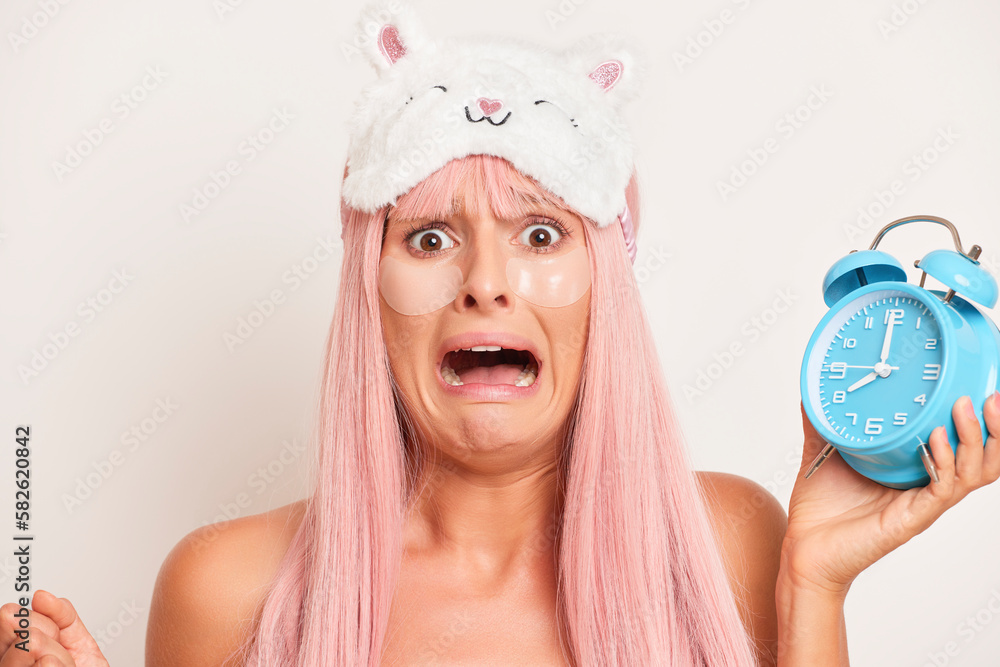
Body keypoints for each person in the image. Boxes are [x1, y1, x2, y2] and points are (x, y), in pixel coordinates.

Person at [2, 2, 998, 665]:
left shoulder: (728, 545)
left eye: (539, 232)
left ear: (605, 279)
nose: (485, 283)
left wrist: (813, 583)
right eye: (429, 235)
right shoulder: (226, 590)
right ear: (368, 282)